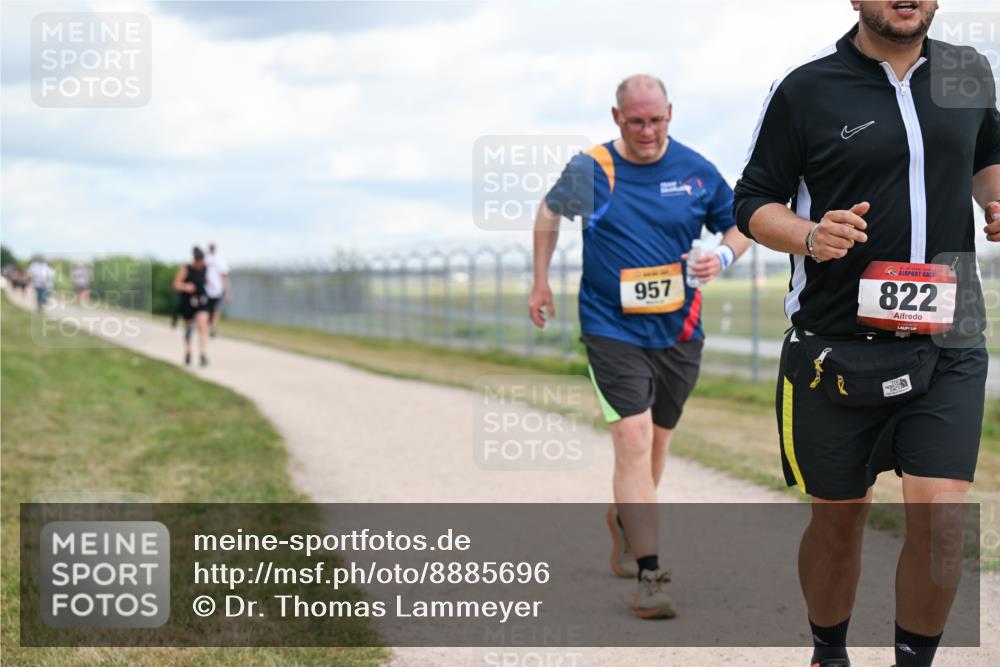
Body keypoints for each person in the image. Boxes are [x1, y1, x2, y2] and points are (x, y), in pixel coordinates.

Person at [733, 2, 1000, 666]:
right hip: (839, 348)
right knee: (839, 522)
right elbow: (753, 203)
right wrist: (809, 235)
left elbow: (985, 159)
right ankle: (830, 652)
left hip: (949, 337)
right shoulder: (805, 88)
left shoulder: (970, 72)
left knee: (942, 525)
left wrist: (996, 201)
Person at [530, 74, 751, 619]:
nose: (647, 131)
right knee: (632, 436)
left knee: (655, 445)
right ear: (616, 118)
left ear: (670, 114)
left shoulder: (697, 171)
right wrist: (540, 280)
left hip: (679, 329)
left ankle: (626, 522)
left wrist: (720, 258)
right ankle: (651, 575)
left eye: (656, 120)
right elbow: (548, 212)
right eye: (636, 121)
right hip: (610, 325)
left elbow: (740, 226)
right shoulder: (592, 169)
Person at [172, 246, 212, 367]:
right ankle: (188, 351)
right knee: (189, 327)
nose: (200, 264)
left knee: (202, 325)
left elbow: (207, 279)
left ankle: (203, 354)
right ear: (195, 260)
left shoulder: (205, 267)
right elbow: (175, 284)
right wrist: (186, 287)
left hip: (201, 300)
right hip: (188, 301)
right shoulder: (186, 268)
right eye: (198, 262)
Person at [204, 242, 231, 337]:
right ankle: (206, 326)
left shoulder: (220, 260)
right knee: (206, 310)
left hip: (217, 289)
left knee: (216, 309)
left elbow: (225, 276)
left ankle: (213, 328)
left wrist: (228, 291)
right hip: (205, 289)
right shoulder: (204, 259)